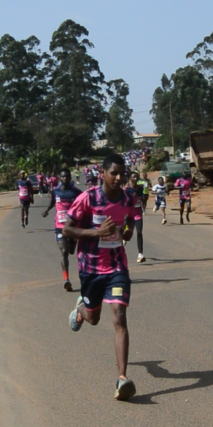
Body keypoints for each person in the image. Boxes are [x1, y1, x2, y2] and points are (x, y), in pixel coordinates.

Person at [62, 153, 141, 401]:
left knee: (119, 316)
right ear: (103, 174)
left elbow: (130, 220)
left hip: (117, 267)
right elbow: (67, 229)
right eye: (113, 173)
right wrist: (96, 233)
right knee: (94, 319)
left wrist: (127, 231)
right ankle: (81, 311)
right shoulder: (88, 198)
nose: (118, 178)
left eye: (122, 173)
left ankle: (122, 379)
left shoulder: (129, 197)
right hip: (90, 269)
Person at [42, 168, 84, 291]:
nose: (65, 178)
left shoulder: (76, 192)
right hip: (59, 227)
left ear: (70, 178)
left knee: (71, 251)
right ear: (60, 178)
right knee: (64, 252)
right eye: (63, 177)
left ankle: (73, 242)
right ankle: (66, 280)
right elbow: (52, 203)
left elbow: (83, 204)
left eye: (67, 176)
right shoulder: (55, 192)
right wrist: (47, 210)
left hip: (72, 227)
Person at [125, 174, 147, 263]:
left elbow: (143, 198)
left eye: (136, 177)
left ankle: (140, 254)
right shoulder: (127, 190)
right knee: (127, 232)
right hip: (128, 214)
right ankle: (124, 238)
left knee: (139, 232)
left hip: (138, 213)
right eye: (133, 177)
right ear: (130, 178)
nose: (135, 178)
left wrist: (142, 199)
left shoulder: (140, 188)